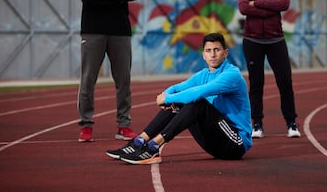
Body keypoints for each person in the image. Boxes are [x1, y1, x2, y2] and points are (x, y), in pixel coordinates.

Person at [106, 33, 252, 164]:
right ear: (203, 55)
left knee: (197, 102)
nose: (212, 55)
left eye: (217, 50)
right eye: (208, 51)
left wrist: (168, 99)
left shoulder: (232, 75)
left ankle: (154, 146)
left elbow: (199, 92)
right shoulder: (203, 74)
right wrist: (166, 95)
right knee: (180, 100)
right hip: (214, 142)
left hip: (235, 143)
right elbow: (176, 88)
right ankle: (138, 142)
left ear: (225, 53)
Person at [75, 0, 140, 142]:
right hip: (92, 31)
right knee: (87, 80)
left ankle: (124, 125)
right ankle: (86, 125)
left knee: (123, 81)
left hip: (120, 31)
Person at [238, 0, 301, 139]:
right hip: (252, 41)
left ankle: (291, 123)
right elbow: (242, 8)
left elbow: (285, 4)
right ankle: (257, 124)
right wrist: (270, 5)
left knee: (285, 82)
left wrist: (256, 4)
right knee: (256, 84)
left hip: (276, 40)